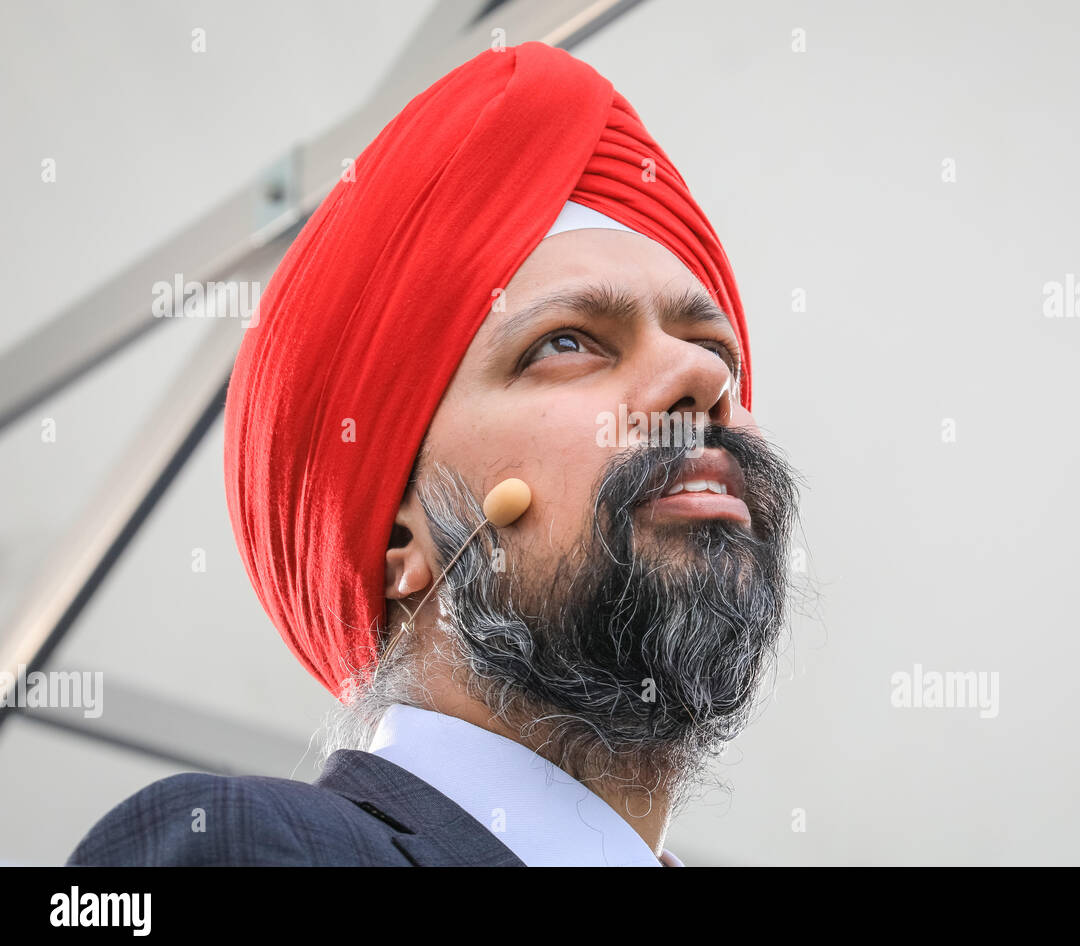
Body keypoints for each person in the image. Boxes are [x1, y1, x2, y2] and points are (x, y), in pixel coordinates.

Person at [67, 40, 800, 868]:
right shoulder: (253, 847)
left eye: (714, 347)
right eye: (567, 341)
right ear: (397, 539)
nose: (703, 376)